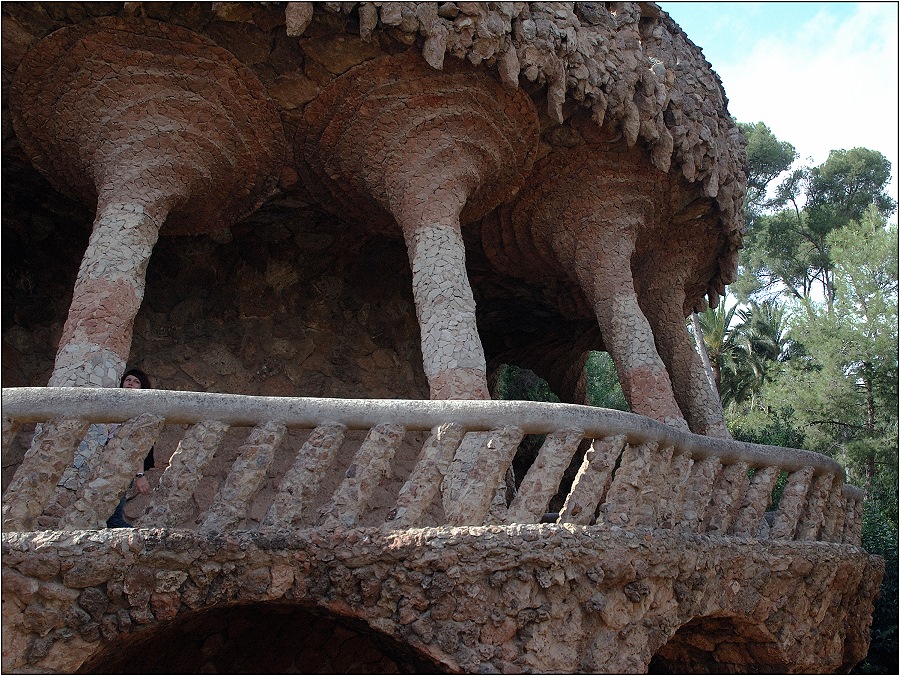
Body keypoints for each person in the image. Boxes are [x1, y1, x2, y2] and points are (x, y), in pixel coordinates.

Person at [106, 368, 155, 528]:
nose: (131, 384)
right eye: (128, 380)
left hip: (120, 466)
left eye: (136, 382)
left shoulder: (140, 414)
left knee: (113, 517)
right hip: (104, 463)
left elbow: (138, 447)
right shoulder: (112, 406)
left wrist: (139, 475)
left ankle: (140, 543)